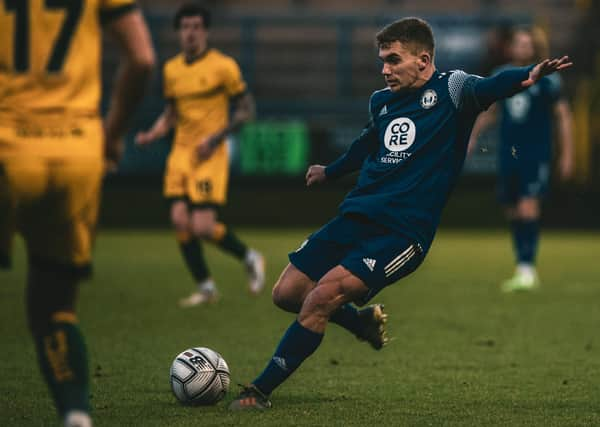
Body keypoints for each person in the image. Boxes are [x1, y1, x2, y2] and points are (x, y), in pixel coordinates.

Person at [228, 17, 572, 410]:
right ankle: (359, 322)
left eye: (393, 60)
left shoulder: (453, 90)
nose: (385, 69)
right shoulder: (382, 100)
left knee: (321, 297)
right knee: (287, 294)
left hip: (401, 232)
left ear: (424, 60)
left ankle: (259, 392)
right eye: (382, 60)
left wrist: (528, 74)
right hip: (356, 215)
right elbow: (365, 144)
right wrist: (331, 170)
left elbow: (490, 86)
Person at [0, 1, 155, 426]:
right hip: (76, 150)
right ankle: (75, 415)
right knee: (54, 307)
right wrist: (114, 132)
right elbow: (141, 58)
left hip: (7, 143)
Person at [135, 3, 265, 307]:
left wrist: (216, 137)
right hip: (180, 153)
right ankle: (206, 288)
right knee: (180, 221)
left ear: (205, 31)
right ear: (179, 32)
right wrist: (153, 133)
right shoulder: (171, 70)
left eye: (196, 27)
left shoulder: (223, 66)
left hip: (210, 153)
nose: (190, 33)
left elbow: (247, 110)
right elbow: (170, 114)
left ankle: (250, 257)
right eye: (185, 27)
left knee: (203, 227)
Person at [468, 27, 574, 292]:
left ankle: (527, 268)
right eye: (519, 43)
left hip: (537, 152)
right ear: (511, 47)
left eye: (528, 44)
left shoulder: (548, 79)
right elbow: (490, 112)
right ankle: (522, 265)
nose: (523, 48)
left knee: (528, 207)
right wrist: (472, 138)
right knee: (513, 209)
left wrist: (568, 154)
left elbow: (563, 116)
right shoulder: (502, 76)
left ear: (535, 48)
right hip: (509, 152)